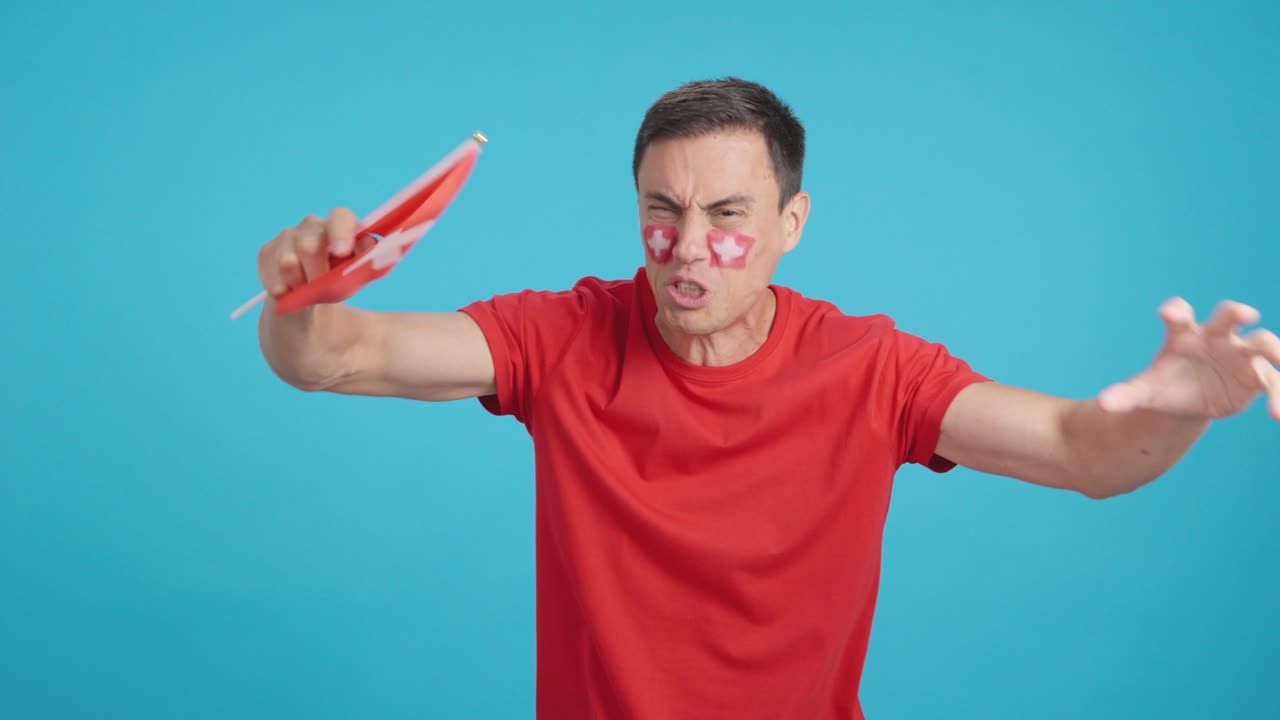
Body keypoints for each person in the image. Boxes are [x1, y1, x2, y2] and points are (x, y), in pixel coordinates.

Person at [253, 78, 1279, 719]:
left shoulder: (870, 366)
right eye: (662, 210)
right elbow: (333, 357)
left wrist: (1179, 404)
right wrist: (303, 295)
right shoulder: (561, 335)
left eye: (728, 213)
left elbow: (1079, 451)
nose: (689, 246)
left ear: (793, 221)